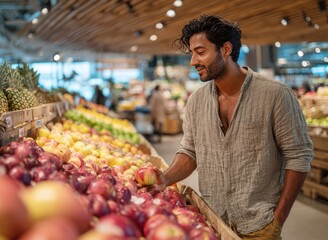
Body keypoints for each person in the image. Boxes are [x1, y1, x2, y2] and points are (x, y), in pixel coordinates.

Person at [155, 15, 313, 239]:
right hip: (212, 223)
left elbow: (299, 156)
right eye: (192, 53)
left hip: (260, 225)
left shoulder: (274, 95)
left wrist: (277, 220)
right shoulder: (196, 102)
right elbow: (190, 152)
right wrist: (163, 179)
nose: (193, 61)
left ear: (226, 49)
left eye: (200, 52)